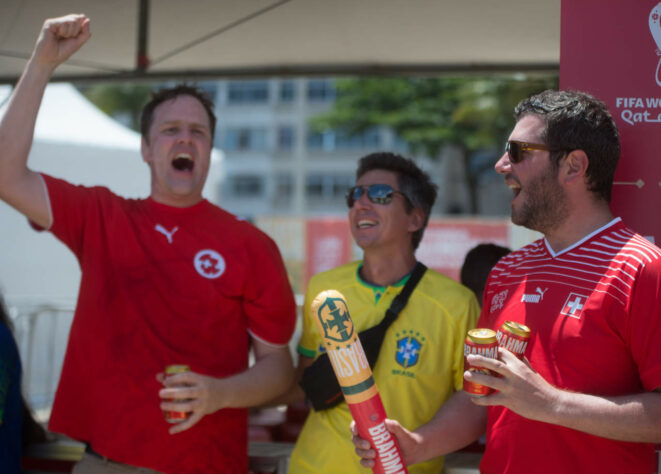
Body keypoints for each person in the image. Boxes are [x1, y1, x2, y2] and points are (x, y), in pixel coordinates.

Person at [0, 14, 296, 473]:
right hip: (106, 461)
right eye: (170, 129)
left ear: (209, 148)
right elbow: (5, 174)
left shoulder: (251, 245)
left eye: (198, 132)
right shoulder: (102, 215)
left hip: (207, 462)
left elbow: (280, 369)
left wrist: (221, 394)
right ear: (146, 149)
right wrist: (42, 62)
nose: (185, 139)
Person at [352, 90, 661, 473]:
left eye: (517, 152)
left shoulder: (641, 268)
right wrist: (418, 444)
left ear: (573, 166)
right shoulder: (507, 272)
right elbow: (483, 394)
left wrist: (552, 403)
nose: (501, 165)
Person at [276, 152, 479, 473]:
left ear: (415, 218)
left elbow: (475, 403)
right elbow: (303, 381)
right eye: (355, 195)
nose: (361, 204)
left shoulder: (457, 304)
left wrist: (420, 443)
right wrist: (231, 394)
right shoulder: (323, 288)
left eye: (380, 195)